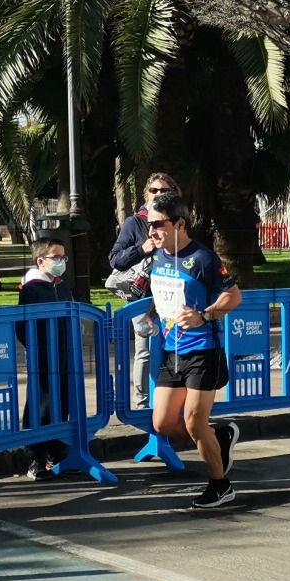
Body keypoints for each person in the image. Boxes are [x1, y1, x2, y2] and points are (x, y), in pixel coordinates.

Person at [146, 194, 244, 511]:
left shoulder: (203, 258)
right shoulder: (158, 258)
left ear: (179, 224)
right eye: (149, 225)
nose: (152, 232)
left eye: (158, 224)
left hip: (203, 350)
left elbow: (233, 297)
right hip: (172, 351)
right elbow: (164, 297)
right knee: (162, 423)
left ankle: (220, 486)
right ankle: (220, 437)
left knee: (193, 422)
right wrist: (151, 315)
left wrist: (204, 315)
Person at [108, 173, 181, 412]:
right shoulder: (135, 223)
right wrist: (142, 249)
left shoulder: (179, 222)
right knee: (145, 350)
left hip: (172, 296)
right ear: (146, 194)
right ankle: (142, 405)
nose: (158, 194)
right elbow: (115, 259)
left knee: (174, 348)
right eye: (153, 190)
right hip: (143, 299)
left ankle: (169, 401)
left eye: (164, 190)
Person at [17, 235, 74, 479]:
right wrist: (37, 348)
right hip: (42, 356)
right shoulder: (32, 288)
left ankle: (57, 451)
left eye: (63, 257)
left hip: (63, 354)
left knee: (62, 403)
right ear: (40, 261)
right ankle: (36, 457)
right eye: (56, 257)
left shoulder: (60, 285)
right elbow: (23, 325)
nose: (61, 261)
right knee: (41, 405)